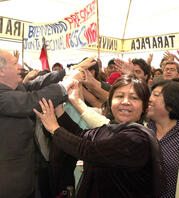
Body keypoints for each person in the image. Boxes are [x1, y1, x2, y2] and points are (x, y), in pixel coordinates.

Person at [0, 48, 89, 198]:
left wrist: (68, 71)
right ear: (0, 70)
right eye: (15, 63)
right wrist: (64, 85)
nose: (20, 67)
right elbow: (30, 101)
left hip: (22, 179)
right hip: (4, 184)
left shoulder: (11, 88)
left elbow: (37, 83)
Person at [34, 75, 162, 198]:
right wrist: (60, 110)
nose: (125, 102)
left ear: (144, 107)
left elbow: (89, 151)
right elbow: (81, 135)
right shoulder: (110, 128)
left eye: (134, 98)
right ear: (110, 102)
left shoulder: (137, 138)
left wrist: (54, 129)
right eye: (119, 96)